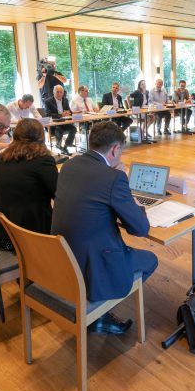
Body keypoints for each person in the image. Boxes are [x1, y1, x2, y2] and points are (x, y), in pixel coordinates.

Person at [51, 122, 158, 334]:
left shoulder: (69, 165)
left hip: (63, 257)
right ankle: (101, 311)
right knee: (151, 260)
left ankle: (101, 305)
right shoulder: (114, 177)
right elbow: (140, 228)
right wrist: (131, 198)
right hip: (94, 263)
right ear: (115, 149)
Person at [0, 119, 58, 245]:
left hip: (2, 229)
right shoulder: (43, 160)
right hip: (30, 233)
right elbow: (57, 194)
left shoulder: (4, 158)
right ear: (41, 136)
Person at [44, 85, 77, 155]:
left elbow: (69, 111)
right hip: (54, 125)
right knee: (59, 130)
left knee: (73, 129)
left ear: (63, 93)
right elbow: (48, 114)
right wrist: (61, 115)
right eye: (57, 92)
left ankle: (66, 146)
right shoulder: (48, 101)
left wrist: (69, 112)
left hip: (65, 122)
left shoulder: (65, 100)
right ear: (53, 92)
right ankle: (58, 145)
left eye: (61, 92)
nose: (59, 94)